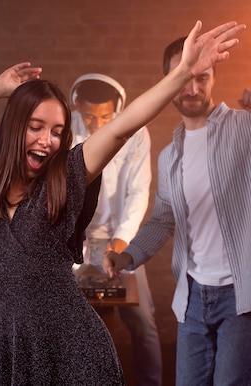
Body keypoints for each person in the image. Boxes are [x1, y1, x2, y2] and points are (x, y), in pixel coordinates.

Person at [0, 20, 244, 385]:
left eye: (57, 132)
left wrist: (182, 75)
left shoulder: (63, 179)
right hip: (5, 351)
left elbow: (121, 127)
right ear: (13, 127)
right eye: (36, 126)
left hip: (71, 351)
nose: (47, 141)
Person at [104, 35, 251, 385]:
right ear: (168, 84)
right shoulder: (171, 155)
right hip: (193, 298)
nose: (192, 87)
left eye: (201, 76)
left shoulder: (249, 126)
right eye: (183, 77)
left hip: (246, 297)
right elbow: (162, 219)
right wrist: (127, 257)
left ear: (213, 78)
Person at [70, 73, 162, 386]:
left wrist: (120, 245)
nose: (98, 124)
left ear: (118, 109)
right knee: (72, 320)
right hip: (74, 241)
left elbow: (139, 192)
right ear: (77, 106)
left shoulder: (136, 132)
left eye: (106, 116)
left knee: (142, 320)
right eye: (90, 116)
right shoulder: (65, 129)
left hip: (119, 239)